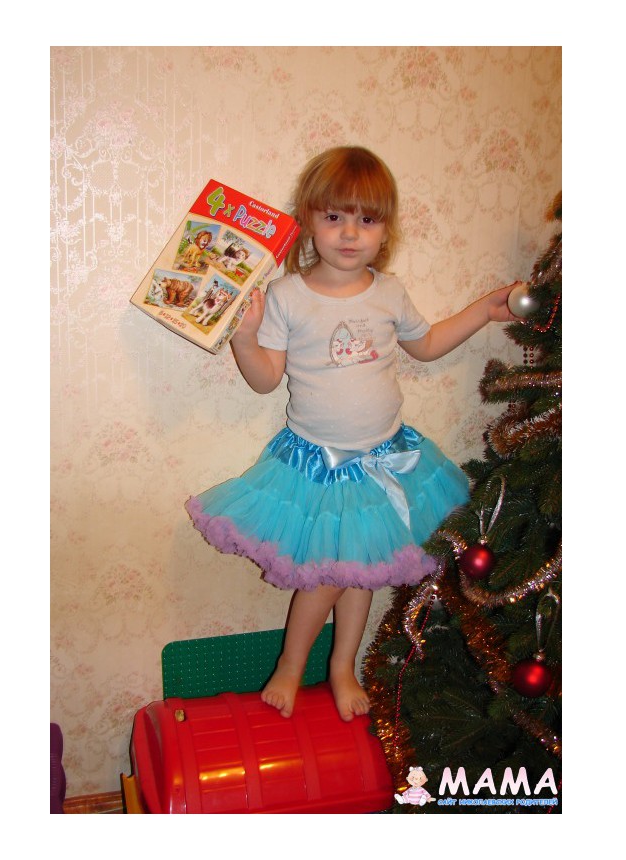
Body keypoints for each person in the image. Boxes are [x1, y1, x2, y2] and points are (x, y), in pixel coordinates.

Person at [185, 146, 521, 722]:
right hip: (317, 467)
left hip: (387, 457)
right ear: (308, 219)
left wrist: (482, 312)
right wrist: (244, 335)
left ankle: (343, 666)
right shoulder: (287, 296)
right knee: (330, 575)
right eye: (334, 216)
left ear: (385, 229)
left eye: (367, 219)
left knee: (361, 573)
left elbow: (426, 344)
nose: (349, 233)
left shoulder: (388, 292)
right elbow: (265, 380)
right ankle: (291, 665)